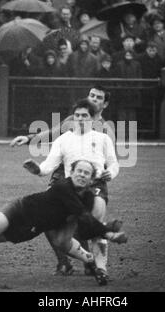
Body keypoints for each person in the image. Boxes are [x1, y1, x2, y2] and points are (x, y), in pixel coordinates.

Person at [0, 160, 127, 285]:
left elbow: (84, 228)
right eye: (79, 171)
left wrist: (104, 230)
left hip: (28, 231)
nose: (82, 175)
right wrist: (109, 232)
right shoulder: (63, 187)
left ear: (92, 179)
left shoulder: (88, 199)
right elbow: (84, 216)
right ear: (71, 172)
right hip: (19, 211)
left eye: (87, 173)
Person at [23, 99, 119, 285]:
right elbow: (47, 167)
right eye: (77, 116)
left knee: (94, 223)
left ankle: (102, 270)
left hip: (96, 186)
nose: (81, 119)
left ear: (92, 119)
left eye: (85, 116)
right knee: (58, 237)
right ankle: (88, 260)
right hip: (70, 191)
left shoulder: (102, 138)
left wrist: (111, 173)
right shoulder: (63, 140)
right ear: (73, 118)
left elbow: (114, 163)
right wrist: (37, 170)